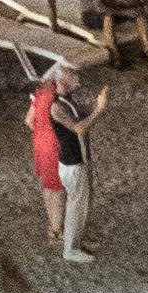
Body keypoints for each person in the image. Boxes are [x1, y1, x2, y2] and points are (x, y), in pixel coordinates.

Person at [31, 62, 107, 262]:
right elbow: (79, 127)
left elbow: (80, 114)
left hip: (79, 159)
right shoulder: (56, 106)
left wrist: (95, 105)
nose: (78, 79)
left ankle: (75, 240)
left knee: (83, 202)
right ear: (61, 80)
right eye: (73, 76)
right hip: (72, 162)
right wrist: (98, 110)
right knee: (76, 205)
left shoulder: (66, 100)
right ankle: (70, 248)